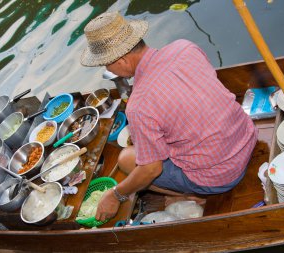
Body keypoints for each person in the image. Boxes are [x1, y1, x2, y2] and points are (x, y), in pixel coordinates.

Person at [80, 12, 258, 222]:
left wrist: (115, 194)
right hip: (247, 137)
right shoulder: (185, 47)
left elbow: (151, 169)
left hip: (222, 176)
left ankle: (191, 196)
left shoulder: (139, 105)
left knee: (126, 159)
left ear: (122, 61)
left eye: (106, 64)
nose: (107, 69)